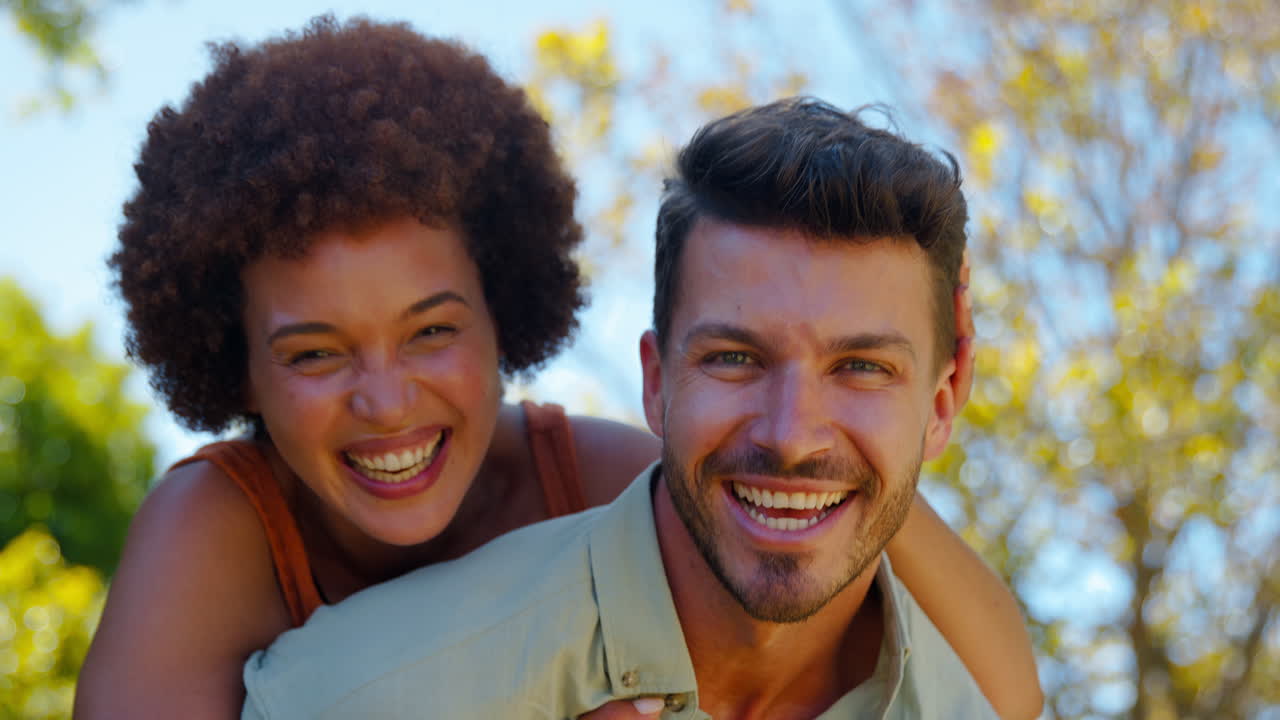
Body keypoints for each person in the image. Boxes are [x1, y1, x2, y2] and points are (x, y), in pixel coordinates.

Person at [73, 14, 1035, 718]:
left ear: (506, 316)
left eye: (431, 333)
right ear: (235, 364)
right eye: (315, 353)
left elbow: (998, 688)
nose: (386, 400)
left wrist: (882, 403)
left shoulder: (606, 472)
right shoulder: (212, 535)